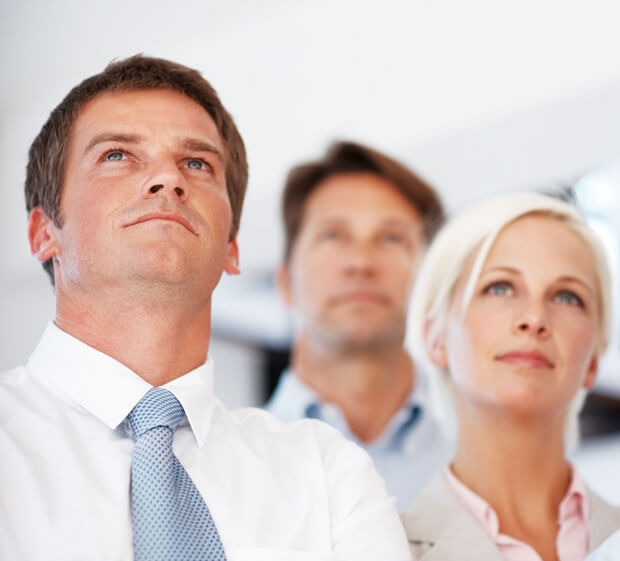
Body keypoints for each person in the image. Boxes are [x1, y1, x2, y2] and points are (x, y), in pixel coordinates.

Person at [0, 55, 410, 561]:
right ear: (44, 233)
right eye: (118, 155)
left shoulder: (326, 475)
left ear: (232, 248)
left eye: (197, 163)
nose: (168, 180)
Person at [401, 192, 620, 560]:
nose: (534, 318)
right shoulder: (382, 547)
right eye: (499, 287)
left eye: (567, 297)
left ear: (594, 361)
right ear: (436, 337)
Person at [265, 141, 451, 508]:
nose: (362, 263)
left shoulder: (486, 466)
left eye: (391, 238)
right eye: (333, 236)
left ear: (431, 282)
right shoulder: (226, 470)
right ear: (285, 281)